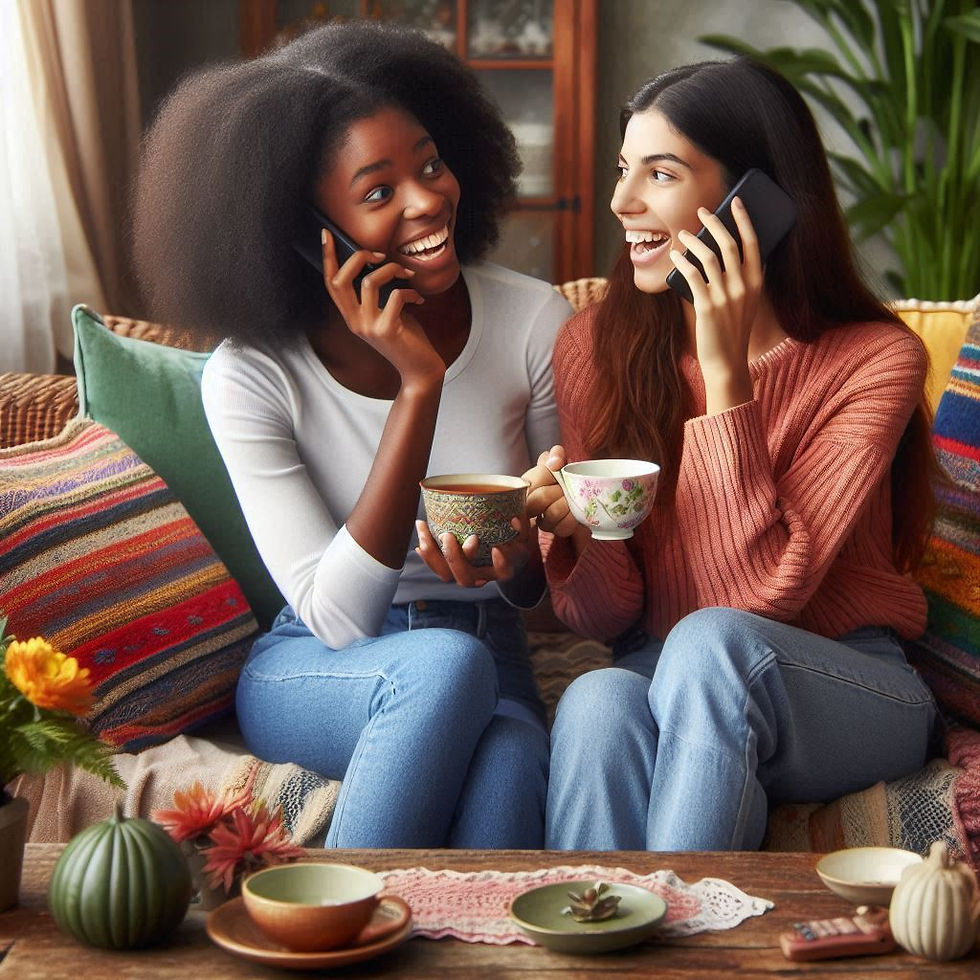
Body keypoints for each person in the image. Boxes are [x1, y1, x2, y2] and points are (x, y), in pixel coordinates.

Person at [131, 20, 572, 849]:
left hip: (492, 650)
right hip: (317, 667)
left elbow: (557, 583)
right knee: (447, 666)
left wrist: (519, 569)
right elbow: (336, 617)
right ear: (309, 235)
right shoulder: (252, 375)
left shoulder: (533, 319)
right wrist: (418, 385)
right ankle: (325, 930)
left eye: (431, 164)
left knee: (512, 757)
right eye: (379, 192)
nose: (428, 199)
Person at [522, 58, 941, 851]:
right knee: (598, 700)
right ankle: (598, 957)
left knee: (711, 647)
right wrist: (580, 529)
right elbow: (607, 618)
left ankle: (694, 951)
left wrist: (725, 377)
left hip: (843, 682)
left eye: (662, 173)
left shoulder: (875, 361)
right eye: (623, 169)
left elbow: (752, 598)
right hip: (669, 671)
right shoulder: (593, 345)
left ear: (761, 200)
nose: (623, 202)